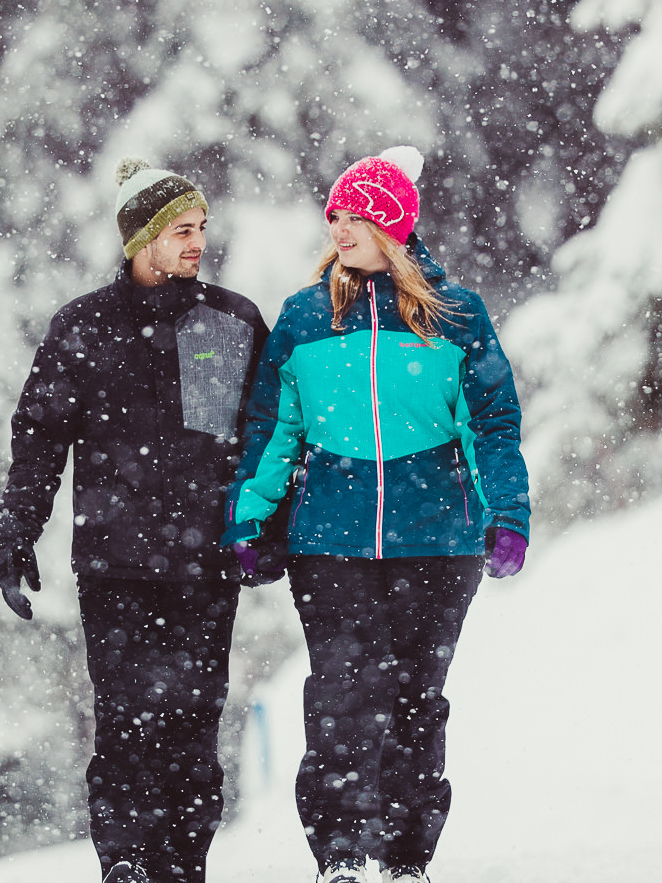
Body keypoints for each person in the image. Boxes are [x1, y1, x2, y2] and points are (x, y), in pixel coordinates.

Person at [223, 146, 529, 883]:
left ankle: (404, 856)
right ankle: (336, 856)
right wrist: (250, 520)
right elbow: (274, 429)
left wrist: (507, 513)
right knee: (341, 693)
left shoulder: (455, 314)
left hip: (437, 538)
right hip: (331, 539)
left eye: (356, 215)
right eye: (335, 216)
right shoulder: (304, 317)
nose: (341, 229)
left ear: (392, 222)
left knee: (416, 697)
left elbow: (493, 423)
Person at [0, 159, 269, 883]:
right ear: (140, 237)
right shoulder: (83, 327)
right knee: (124, 725)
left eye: (202, 228)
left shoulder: (230, 321)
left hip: (205, 568)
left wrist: (264, 528)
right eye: (181, 229)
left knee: (191, 727)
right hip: (114, 567)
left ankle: (183, 867)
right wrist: (17, 529)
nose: (197, 242)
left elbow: (266, 437)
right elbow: (40, 435)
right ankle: (124, 863)